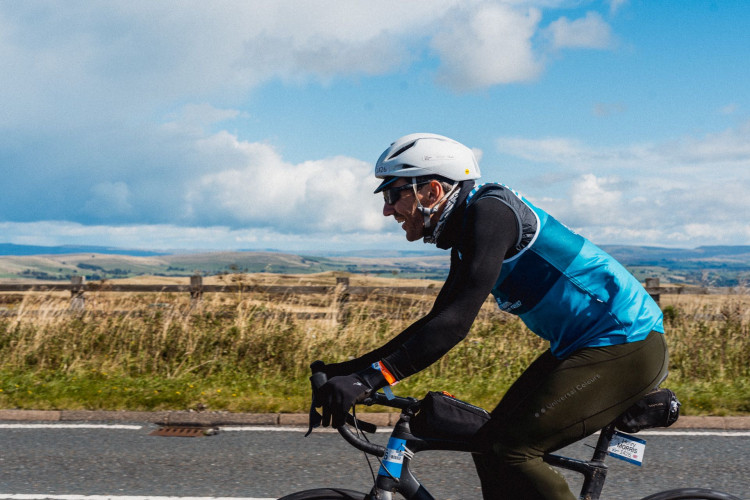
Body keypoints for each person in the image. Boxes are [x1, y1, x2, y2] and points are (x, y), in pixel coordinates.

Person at [316, 133, 667, 500]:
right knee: (490, 445)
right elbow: (436, 321)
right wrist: (349, 371)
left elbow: (454, 326)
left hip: (626, 341)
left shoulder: (491, 213)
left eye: (393, 194)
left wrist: (370, 378)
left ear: (432, 191)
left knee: (512, 450)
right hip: (583, 345)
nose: (388, 210)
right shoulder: (467, 229)